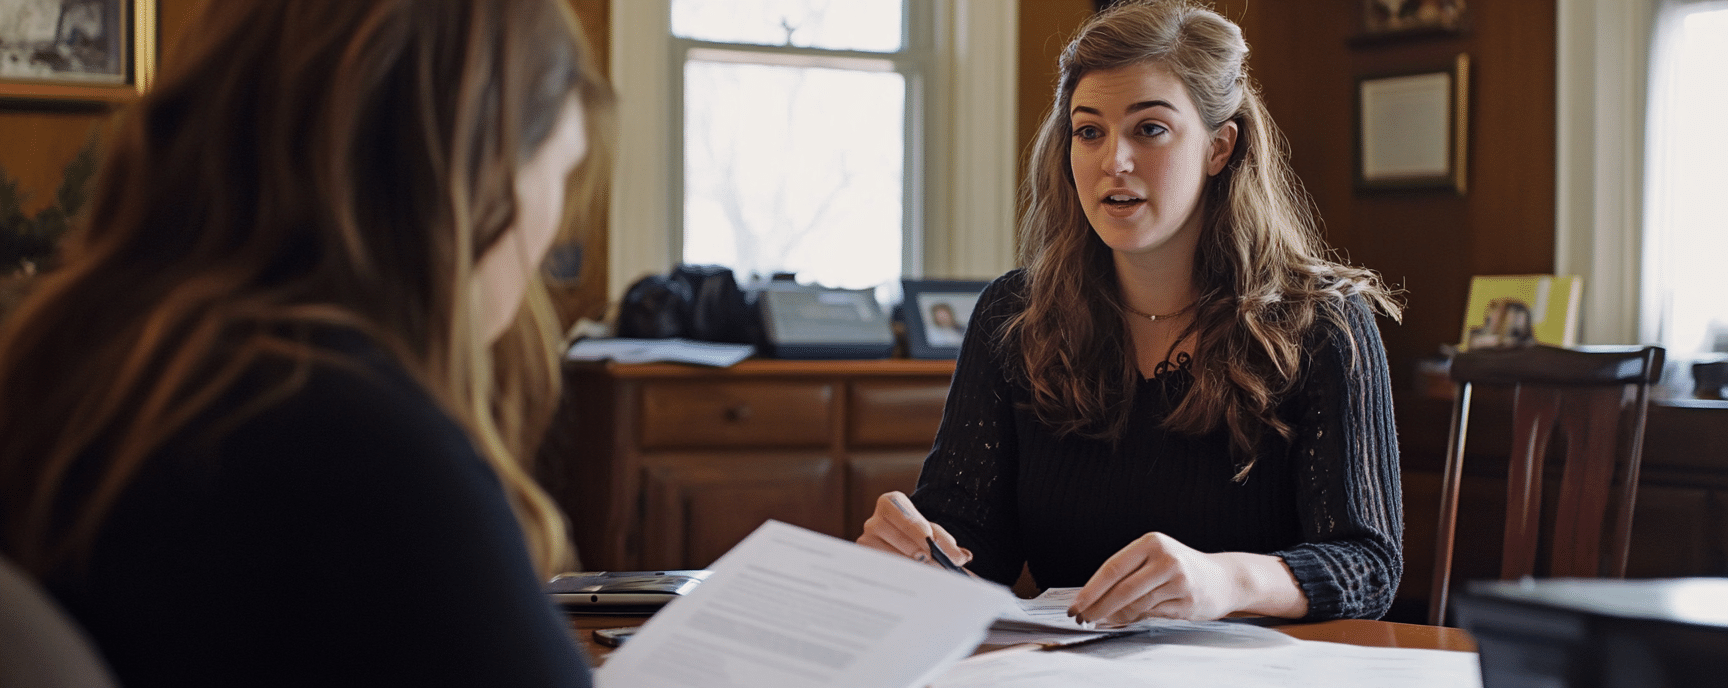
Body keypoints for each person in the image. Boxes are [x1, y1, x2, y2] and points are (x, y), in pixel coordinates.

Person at [0, 1, 613, 685]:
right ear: (472, 177)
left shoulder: (80, 364)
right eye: (561, 170)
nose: (554, 232)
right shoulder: (350, 445)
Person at [859, 0, 1404, 626]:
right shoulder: (1014, 315)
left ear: (1220, 147)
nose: (1113, 161)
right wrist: (916, 554)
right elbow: (976, 546)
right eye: (1089, 131)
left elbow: (1367, 565)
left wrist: (1223, 578)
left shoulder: (1323, 325)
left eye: (1150, 129)